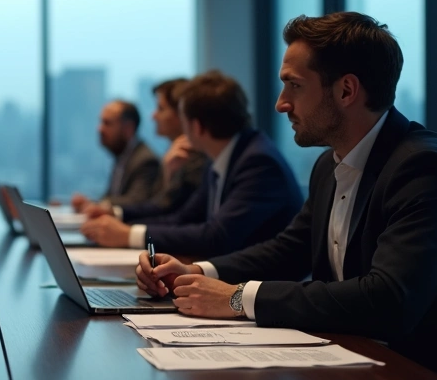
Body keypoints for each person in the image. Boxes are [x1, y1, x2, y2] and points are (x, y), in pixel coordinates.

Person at [136, 12, 437, 380]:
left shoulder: (424, 168)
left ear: (346, 91)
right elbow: (289, 250)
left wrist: (237, 298)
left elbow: (389, 300)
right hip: (359, 366)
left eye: (294, 86)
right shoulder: (328, 166)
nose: (281, 103)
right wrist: (198, 272)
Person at [81, 72, 302, 255]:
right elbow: (184, 217)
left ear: (196, 127)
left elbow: (216, 237)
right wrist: (127, 231)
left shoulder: (258, 162)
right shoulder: (223, 157)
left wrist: (129, 235)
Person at [83, 78, 209, 221]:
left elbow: (175, 216)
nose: (153, 115)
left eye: (160, 109)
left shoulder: (193, 157)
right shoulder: (173, 153)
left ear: (181, 114)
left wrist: (127, 233)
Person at [69, 100, 160, 213]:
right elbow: (112, 196)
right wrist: (90, 203)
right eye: (101, 122)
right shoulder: (122, 155)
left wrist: (95, 205)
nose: (100, 129)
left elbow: (136, 201)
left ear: (128, 128)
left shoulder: (145, 160)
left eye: (107, 123)